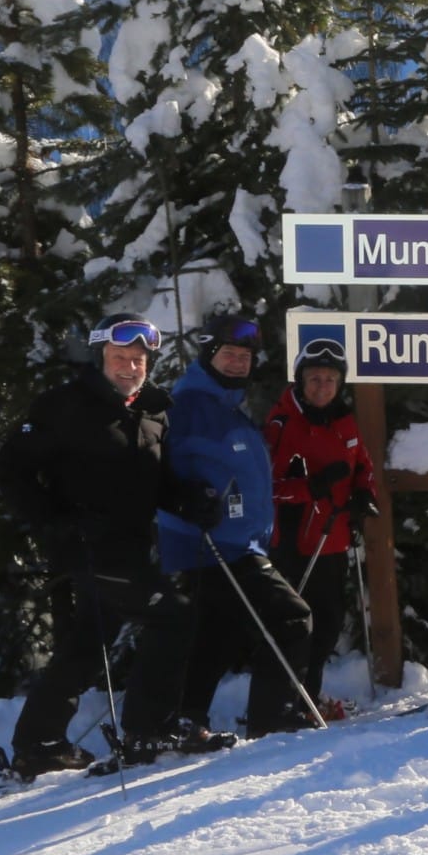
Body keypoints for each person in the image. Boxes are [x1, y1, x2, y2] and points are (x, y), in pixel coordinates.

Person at [0, 313, 212, 776]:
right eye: (120, 357)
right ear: (101, 357)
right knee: (173, 613)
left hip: (130, 547)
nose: (130, 367)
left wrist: (190, 502)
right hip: (89, 547)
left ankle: (39, 742)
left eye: (138, 359)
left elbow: (159, 482)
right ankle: (149, 728)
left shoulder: (152, 411)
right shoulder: (65, 406)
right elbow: (10, 470)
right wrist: (56, 521)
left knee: (88, 645)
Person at [161, 311, 321, 737]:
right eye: (228, 354)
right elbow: (158, 470)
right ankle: (273, 719)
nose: (237, 363)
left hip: (233, 543)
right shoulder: (192, 407)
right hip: (212, 544)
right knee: (290, 618)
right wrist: (185, 502)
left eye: (245, 357)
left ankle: (185, 718)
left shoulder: (224, 407)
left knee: (216, 634)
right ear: (208, 356)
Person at [263, 337, 379, 706]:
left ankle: (308, 697)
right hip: (294, 541)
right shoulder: (282, 423)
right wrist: (309, 487)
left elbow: (362, 463)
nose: (322, 387)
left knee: (327, 624)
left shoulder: (344, 420)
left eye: (330, 379)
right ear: (300, 379)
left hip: (334, 537)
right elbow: (265, 487)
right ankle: (282, 700)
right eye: (314, 379)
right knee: (296, 625)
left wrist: (364, 493)